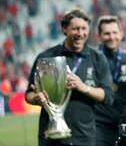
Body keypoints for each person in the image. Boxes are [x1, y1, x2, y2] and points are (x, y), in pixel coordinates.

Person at [25, 8, 113, 146]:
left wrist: (83, 87)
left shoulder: (97, 58)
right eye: (75, 29)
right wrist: (36, 99)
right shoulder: (46, 57)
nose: (80, 33)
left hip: (84, 137)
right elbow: (29, 94)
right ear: (64, 29)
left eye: (84, 28)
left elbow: (107, 96)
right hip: (51, 135)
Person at [94, 15, 126, 146]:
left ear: (121, 34)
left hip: (125, 126)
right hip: (98, 126)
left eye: (115, 32)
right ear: (98, 36)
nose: (111, 37)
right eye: (107, 33)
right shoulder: (91, 60)